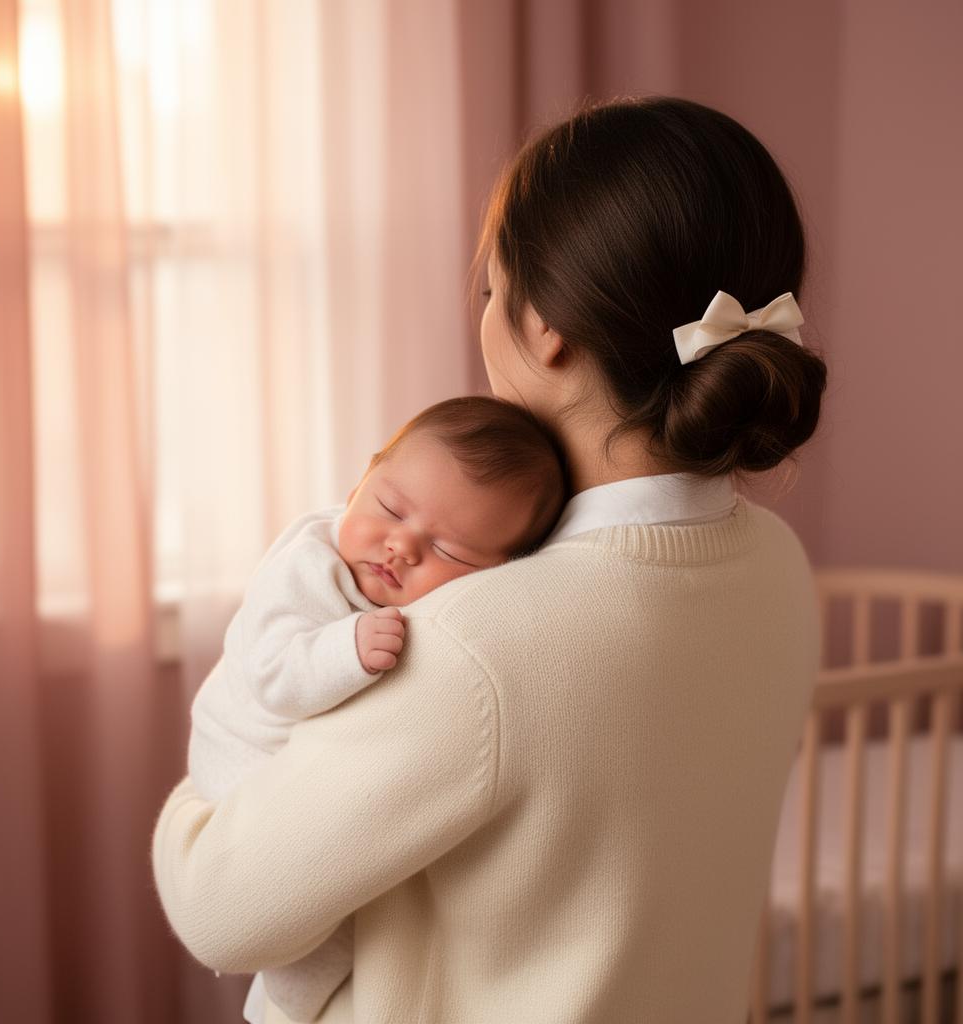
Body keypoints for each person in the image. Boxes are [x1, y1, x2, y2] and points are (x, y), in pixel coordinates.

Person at [152, 95, 828, 1023]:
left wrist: (227, 742)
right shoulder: (779, 568)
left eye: (491, 289)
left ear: (545, 323)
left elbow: (221, 908)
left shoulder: (471, 644)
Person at [186, 395, 568, 1022]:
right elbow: (274, 674)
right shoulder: (308, 566)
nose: (402, 546)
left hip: (290, 766)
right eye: (389, 508)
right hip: (241, 753)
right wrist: (347, 650)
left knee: (348, 912)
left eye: (452, 552)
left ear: (499, 574)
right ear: (362, 478)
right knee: (326, 913)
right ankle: (280, 1009)